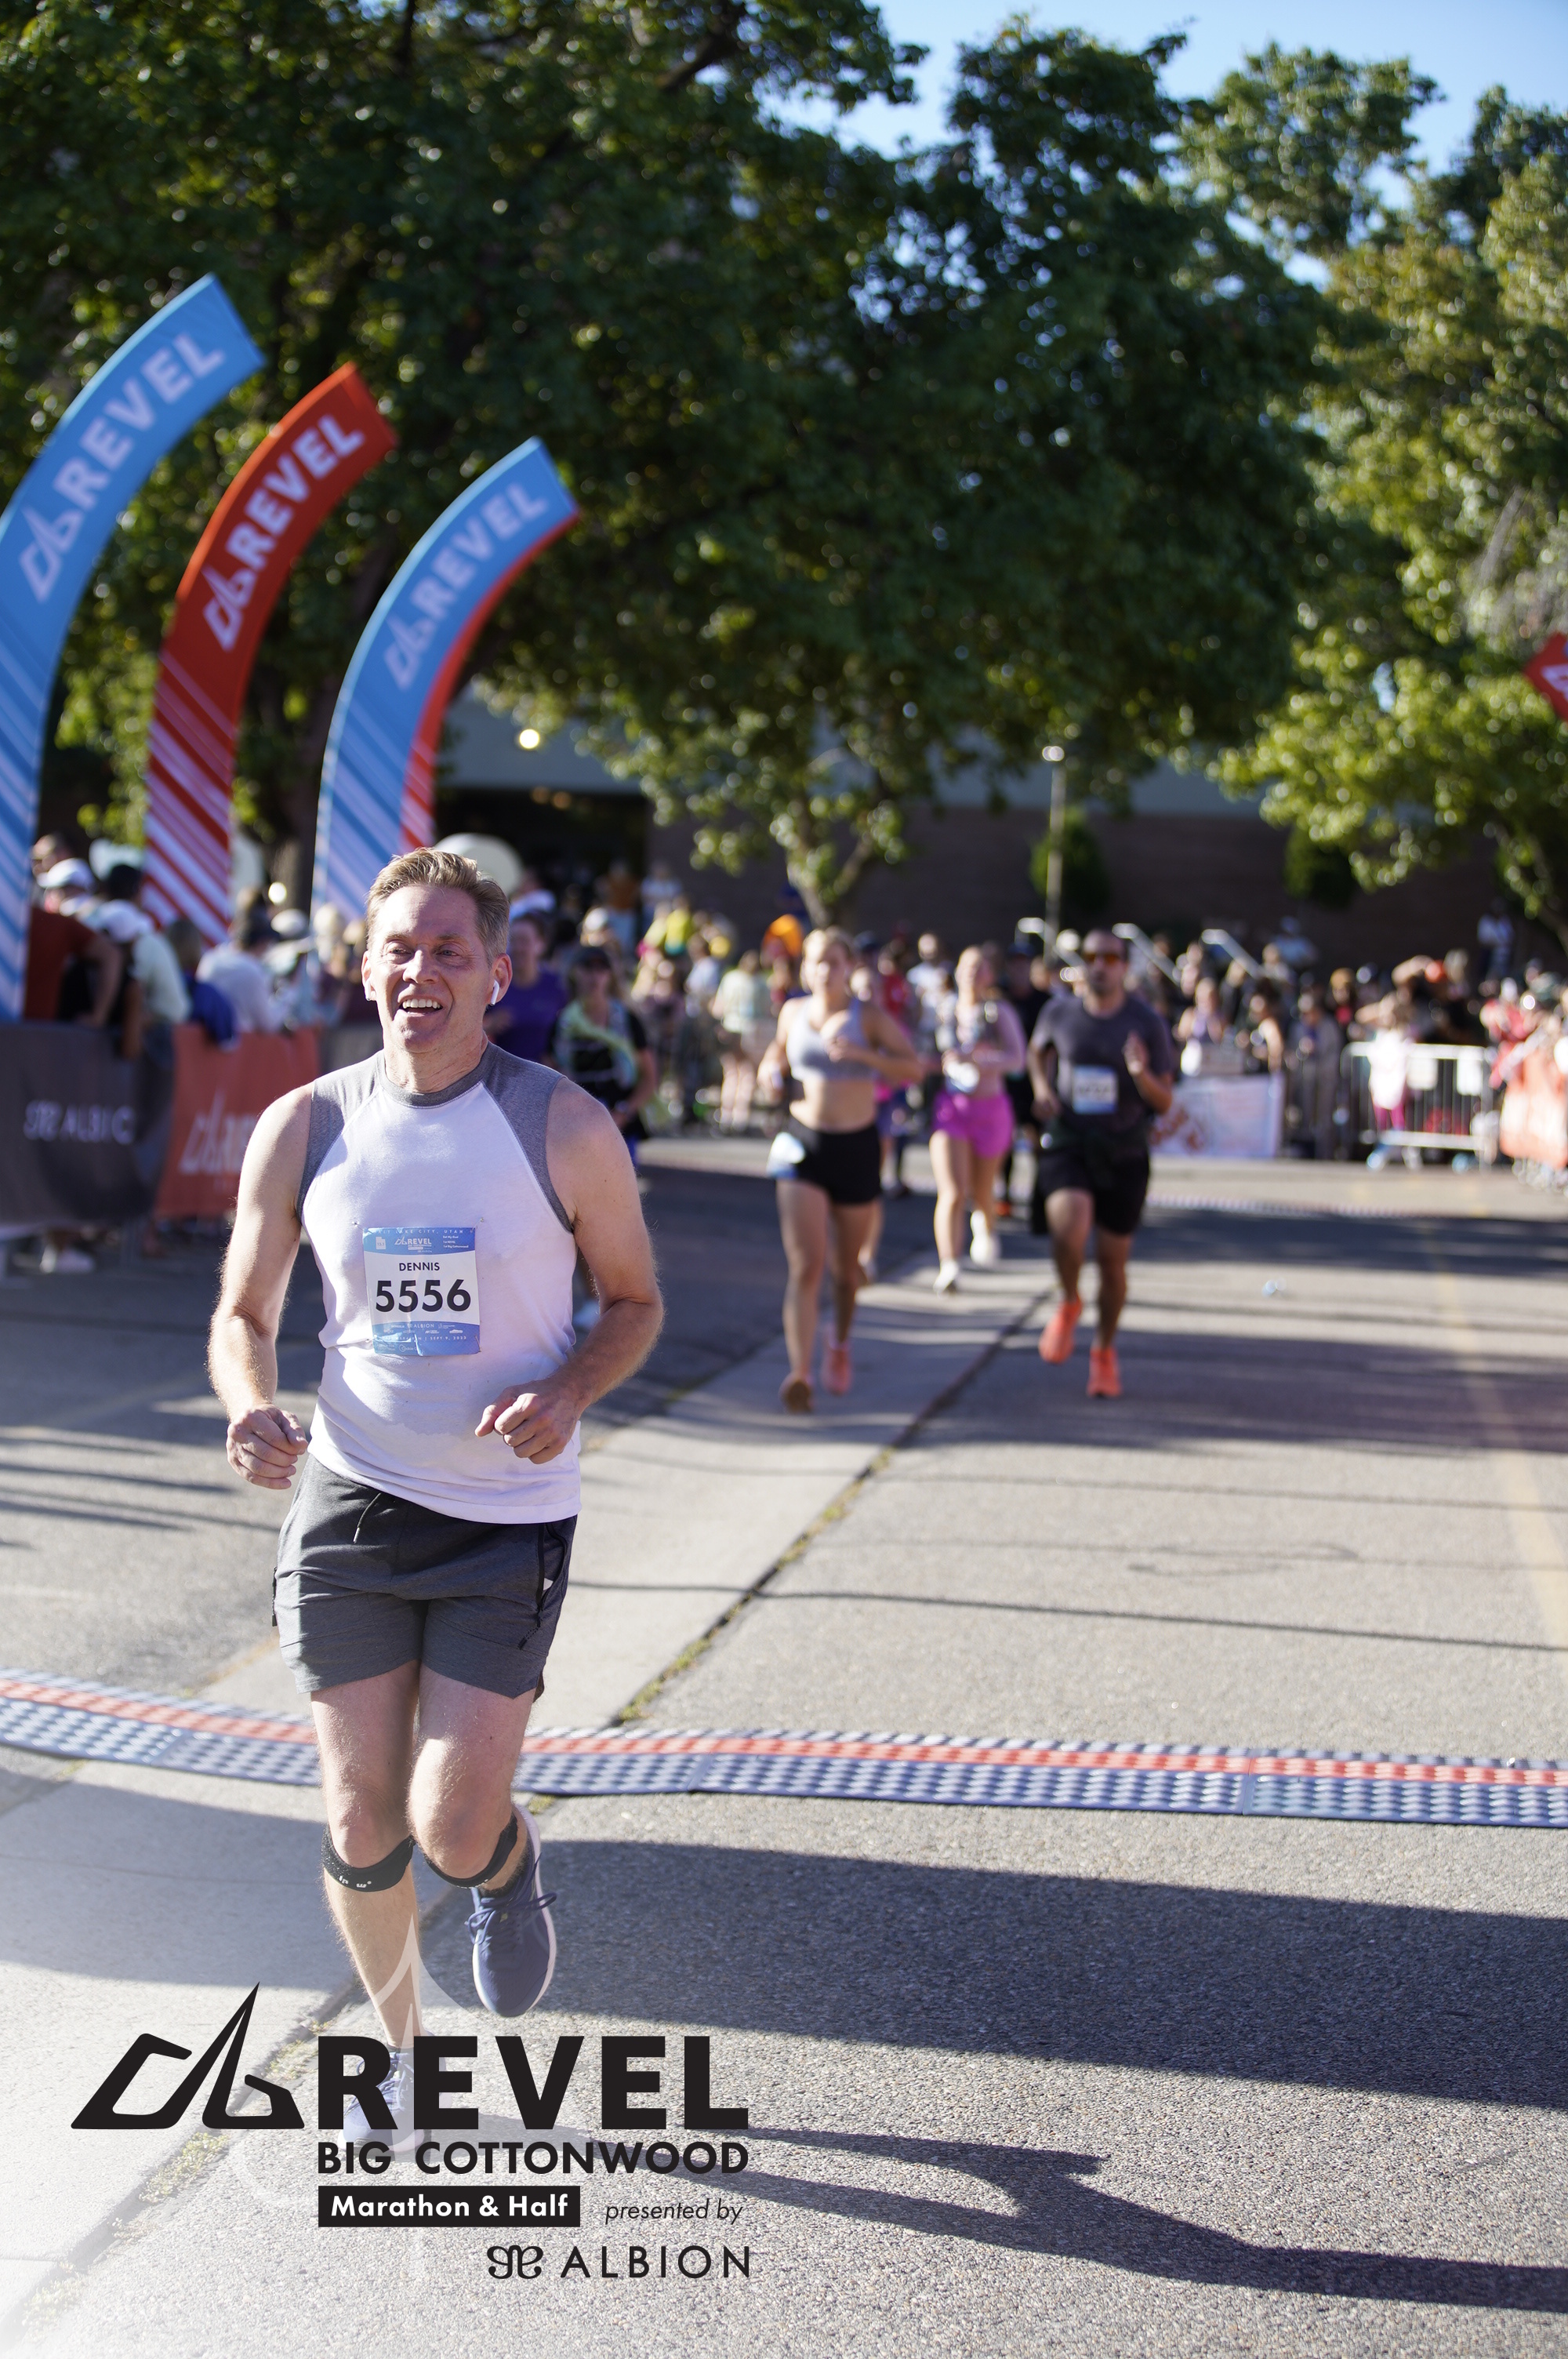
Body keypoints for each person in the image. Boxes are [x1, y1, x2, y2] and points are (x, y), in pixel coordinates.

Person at [209, 849, 662, 2148]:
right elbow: (243, 1312)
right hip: (351, 1503)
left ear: (496, 974)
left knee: (448, 1826)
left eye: (450, 950)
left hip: (503, 1520)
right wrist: (251, 1401)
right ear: (365, 969)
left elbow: (634, 1302)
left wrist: (568, 1389)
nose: (422, 970)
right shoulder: (305, 1124)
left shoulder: (561, 1124)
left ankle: (505, 1866)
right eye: (399, 948)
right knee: (361, 1817)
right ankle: (403, 2054)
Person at [759, 926, 921, 1411]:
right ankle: (800, 1373)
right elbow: (777, 1051)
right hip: (802, 1144)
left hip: (856, 1146)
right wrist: (770, 1070)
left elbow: (912, 1068)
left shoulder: (867, 1016)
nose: (824, 970)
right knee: (806, 1265)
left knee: (846, 1274)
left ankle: (840, 1343)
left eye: (833, 960)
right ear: (805, 967)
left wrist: (864, 1055)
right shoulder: (793, 1011)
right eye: (816, 961)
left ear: (850, 967)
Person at [1028, 929, 1175, 1400]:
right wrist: (1042, 1088)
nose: (1100, 965)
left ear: (1124, 966)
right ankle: (1070, 1300)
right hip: (1070, 1139)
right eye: (1092, 956)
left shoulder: (1146, 1022)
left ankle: (1104, 1352)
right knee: (1068, 1229)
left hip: (1124, 1148)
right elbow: (1036, 1052)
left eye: (1110, 958)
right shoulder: (1060, 1012)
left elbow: (1165, 1100)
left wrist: (1140, 1073)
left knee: (1112, 1265)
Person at [928, 946, 1028, 1291]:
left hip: (990, 1108)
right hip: (952, 1108)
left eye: (980, 967)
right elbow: (924, 1052)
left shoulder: (997, 1012)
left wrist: (980, 1060)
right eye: (967, 965)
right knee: (952, 1191)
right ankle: (949, 1265)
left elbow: (1017, 1059)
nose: (972, 973)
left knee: (982, 1191)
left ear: (990, 975)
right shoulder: (943, 1011)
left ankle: (985, 1223)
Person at [550, 945, 658, 1155]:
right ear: (574, 973)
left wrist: (623, 1113)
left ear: (611, 976)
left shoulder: (627, 1021)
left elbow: (649, 1077)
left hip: (621, 1125)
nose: (594, 977)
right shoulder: (563, 1023)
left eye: (601, 969)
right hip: (576, 1126)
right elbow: (551, 1074)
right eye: (587, 968)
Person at [485, 910, 567, 1064]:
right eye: (513, 941)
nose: (518, 948)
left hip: (543, 1073)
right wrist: (490, 1025)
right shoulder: (493, 985)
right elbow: (469, 1031)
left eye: (524, 941)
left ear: (541, 945)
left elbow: (566, 1032)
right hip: (502, 1072)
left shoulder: (555, 986)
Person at [198, 903, 285, 1032]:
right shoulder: (252, 971)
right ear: (262, 942)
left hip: (209, 1039)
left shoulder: (210, 959)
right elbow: (268, 1024)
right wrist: (288, 993)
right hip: (236, 1041)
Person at [712, 949, 774, 1132]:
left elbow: (718, 1007)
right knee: (747, 1075)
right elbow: (768, 1009)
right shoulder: (762, 983)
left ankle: (726, 1115)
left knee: (731, 1073)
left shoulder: (730, 979)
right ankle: (740, 1117)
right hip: (752, 1031)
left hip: (731, 1028)